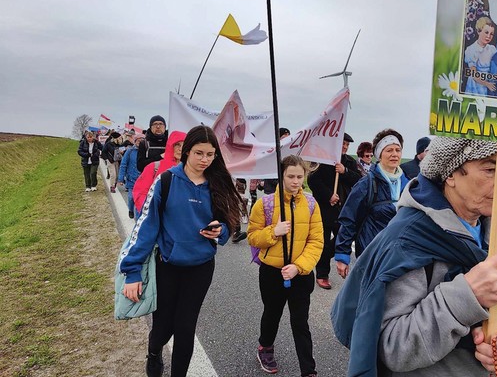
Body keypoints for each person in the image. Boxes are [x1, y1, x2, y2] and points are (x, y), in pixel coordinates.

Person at [331, 136, 497, 377]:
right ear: (451, 174)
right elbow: (392, 348)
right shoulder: (410, 241)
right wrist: (467, 295)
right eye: (491, 169)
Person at [121, 125, 243, 377]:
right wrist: (131, 272)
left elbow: (230, 221)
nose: (205, 160)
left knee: (185, 327)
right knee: (163, 329)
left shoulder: (218, 183)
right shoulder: (166, 181)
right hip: (168, 266)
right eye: (199, 153)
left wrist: (220, 229)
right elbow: (145, 228)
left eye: (210, 155)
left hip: (200, 267)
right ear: (186, 151)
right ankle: (154, 352)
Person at [247, 155, 323, 377]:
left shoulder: (311, 204)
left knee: (301, 322)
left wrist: (298, 267)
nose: (296, 181)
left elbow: (317, 241)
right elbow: (252, 237)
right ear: (281, 175)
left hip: (301, 273)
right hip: (272, 272)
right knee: (272, 313)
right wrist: (273, 232)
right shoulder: (266, 204)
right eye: (291, 176)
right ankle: (265, 347)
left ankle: (308, 370)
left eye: (300, 176)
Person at [335, 129, 409, 279]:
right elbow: (349, 218)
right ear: (379, 154)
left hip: (399, 255)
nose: (394, 154)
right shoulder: (366, 184)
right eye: (389, 150)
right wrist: (342, 255)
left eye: (398, 150)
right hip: (372, 253)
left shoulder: (408, 184)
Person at [307, 132, 361, 289]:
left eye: (347, 145)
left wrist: (345, 171)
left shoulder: (349, 162)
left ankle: (323, 258)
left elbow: (358, 180)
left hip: (342, 209)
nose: (345, 147)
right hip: (324, 209)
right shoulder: (322, 160)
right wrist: (328, 195)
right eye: (343, 143)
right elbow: (312, 180)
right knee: (322, 241)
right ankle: (322, 274)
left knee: (342, 239)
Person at [133, 131, 186, 216]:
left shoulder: (191, 171)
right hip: (153, 216)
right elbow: (140, 193)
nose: (180, 149)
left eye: (184, 145)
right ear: (170, 146)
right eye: (177, 145)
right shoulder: (154, 167)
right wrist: (151, 213)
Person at [464, 16, 497, 95]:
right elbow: (474, 75)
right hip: (476, 84)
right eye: (486, 32)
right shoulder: (471, 50)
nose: (488, 36)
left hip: (489, 83)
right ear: (479, 31)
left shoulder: (492, 49)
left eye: (491, 34)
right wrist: (487, 84)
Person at [118, 136, 144, 219]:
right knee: (131, 197)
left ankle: (138, 217)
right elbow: (123, 165)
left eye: (142, 141)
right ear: (135, 141)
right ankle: (130, 210)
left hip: (143, 180)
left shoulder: (147, 151)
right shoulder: (130, 151)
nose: (140, 142)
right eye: (138, 140)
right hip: (131, 179)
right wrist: (121, 178)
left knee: (140, 200)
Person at [263, 127, 291, 195]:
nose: (287, 139)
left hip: (285, 188)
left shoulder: (289, 152)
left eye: (288, 137)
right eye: (284, 137)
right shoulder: (271, 152)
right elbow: (268, 170)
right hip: (272, 189)